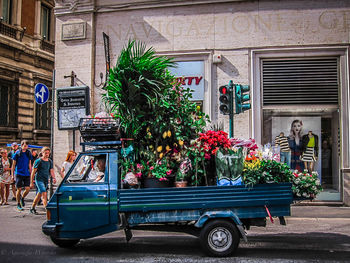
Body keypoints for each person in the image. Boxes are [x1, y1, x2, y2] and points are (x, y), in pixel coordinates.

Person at [29, 147, 56, 214]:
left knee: (39, 194)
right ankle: (47, 209)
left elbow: (51, 170)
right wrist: (31, 182)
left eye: (48, 153)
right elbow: (33, 172)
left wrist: (54, 177)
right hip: (39, 179)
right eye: (45, 153)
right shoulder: (38, 161)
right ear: (42, 153)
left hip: (45, 180)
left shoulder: (50, 161)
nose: (47, 154)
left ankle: (32, 207)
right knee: (44, 193)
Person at [11, 140, 33, 211]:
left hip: (26, 173)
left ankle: (22, 198)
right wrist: (12, 175)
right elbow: (13, 165)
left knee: (27, 189)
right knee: (19, 189)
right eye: (24, 145)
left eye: (27, 145)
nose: (26, 147)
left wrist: (31, 172)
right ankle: (18, 203)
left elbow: (30, 164)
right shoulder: (17, 153)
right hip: (19, 173)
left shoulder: (28, 153)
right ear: (21, 145)